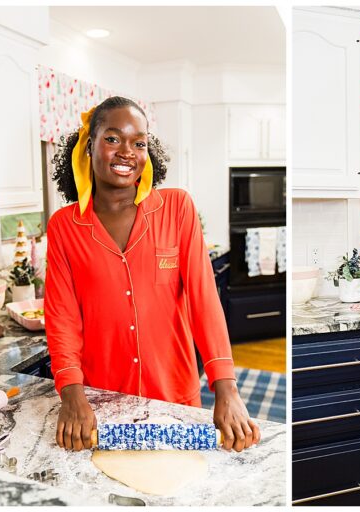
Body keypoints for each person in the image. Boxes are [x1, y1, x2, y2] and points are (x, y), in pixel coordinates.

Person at [45, 96, 261, 453]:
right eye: (113, 138)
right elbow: (62, 318)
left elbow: (204, 300)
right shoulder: (65, 227)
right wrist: (71, 393)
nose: (127, 151)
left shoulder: (177, 209)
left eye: (139, 142)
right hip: (103, 403)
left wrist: (227, 389)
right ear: (89, 146)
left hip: (175, 394)